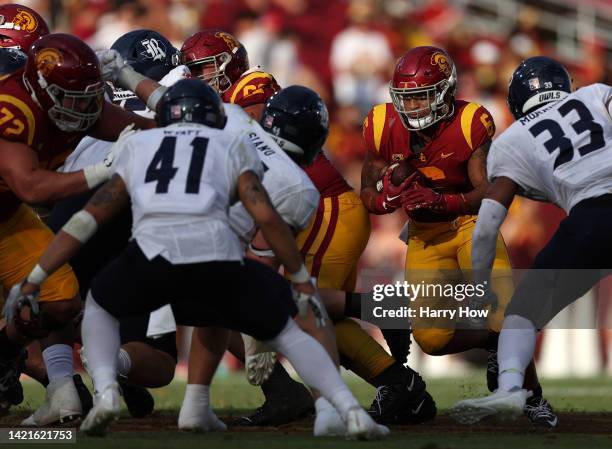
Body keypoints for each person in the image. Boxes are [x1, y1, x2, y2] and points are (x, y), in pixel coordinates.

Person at [6, 79, 390, 440]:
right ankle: (347, 405)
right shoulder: (243, 149)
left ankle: (107, 389)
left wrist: (37, 275)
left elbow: (87, 219)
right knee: (294, 323)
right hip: (220, 256)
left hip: (151, 257)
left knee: (99, 308)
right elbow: (267, 220)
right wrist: (300, 281)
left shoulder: (146, 143)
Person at [180, 29, 434, 427]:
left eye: (202, 68)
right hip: (304, 210)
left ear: (230, 63)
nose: (196, 78)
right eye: (189, 72)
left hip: (321, 205)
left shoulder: (252, 87)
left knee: (304, 307)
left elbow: (251, 145)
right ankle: (394, 382)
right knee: (286, 308)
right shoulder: (221, 103)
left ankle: (387, 317)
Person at [360, 46, 557, 427]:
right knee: (432, 340)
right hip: (424, 236)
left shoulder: (470, 121)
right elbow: (368, 191)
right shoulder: (381, 124)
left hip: (470, 226)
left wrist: (444, 201)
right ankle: (495, 347)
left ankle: (532, 398)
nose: (413, 106)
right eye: (406, 97)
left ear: (446, 92)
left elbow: (490, 190)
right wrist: (384, 202)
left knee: (505, 313)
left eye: (421, 95)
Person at [0, 32, 155, 422]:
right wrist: (101, 170)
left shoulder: (71, 103)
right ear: (42, 89)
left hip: (4, 218)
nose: (86, 109)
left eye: (91, 96)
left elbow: (145, 131)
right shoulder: (12, 110)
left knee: (59, 303)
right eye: (75, 99)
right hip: (15, 204)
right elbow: (31, 187)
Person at [450, 57, 611, 425]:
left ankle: (510, 390)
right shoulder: (595, 94)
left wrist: (479, 285)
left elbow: (488, 223)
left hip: (590, 219)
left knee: (521, 314)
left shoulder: (512, 141)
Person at [42, 29, 185, 424]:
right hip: (150, 212)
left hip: (83, 191)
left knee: (49, 298)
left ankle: (61, 386)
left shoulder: (83, 91)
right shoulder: (181, 92)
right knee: (159, 354)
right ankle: (113, 363)